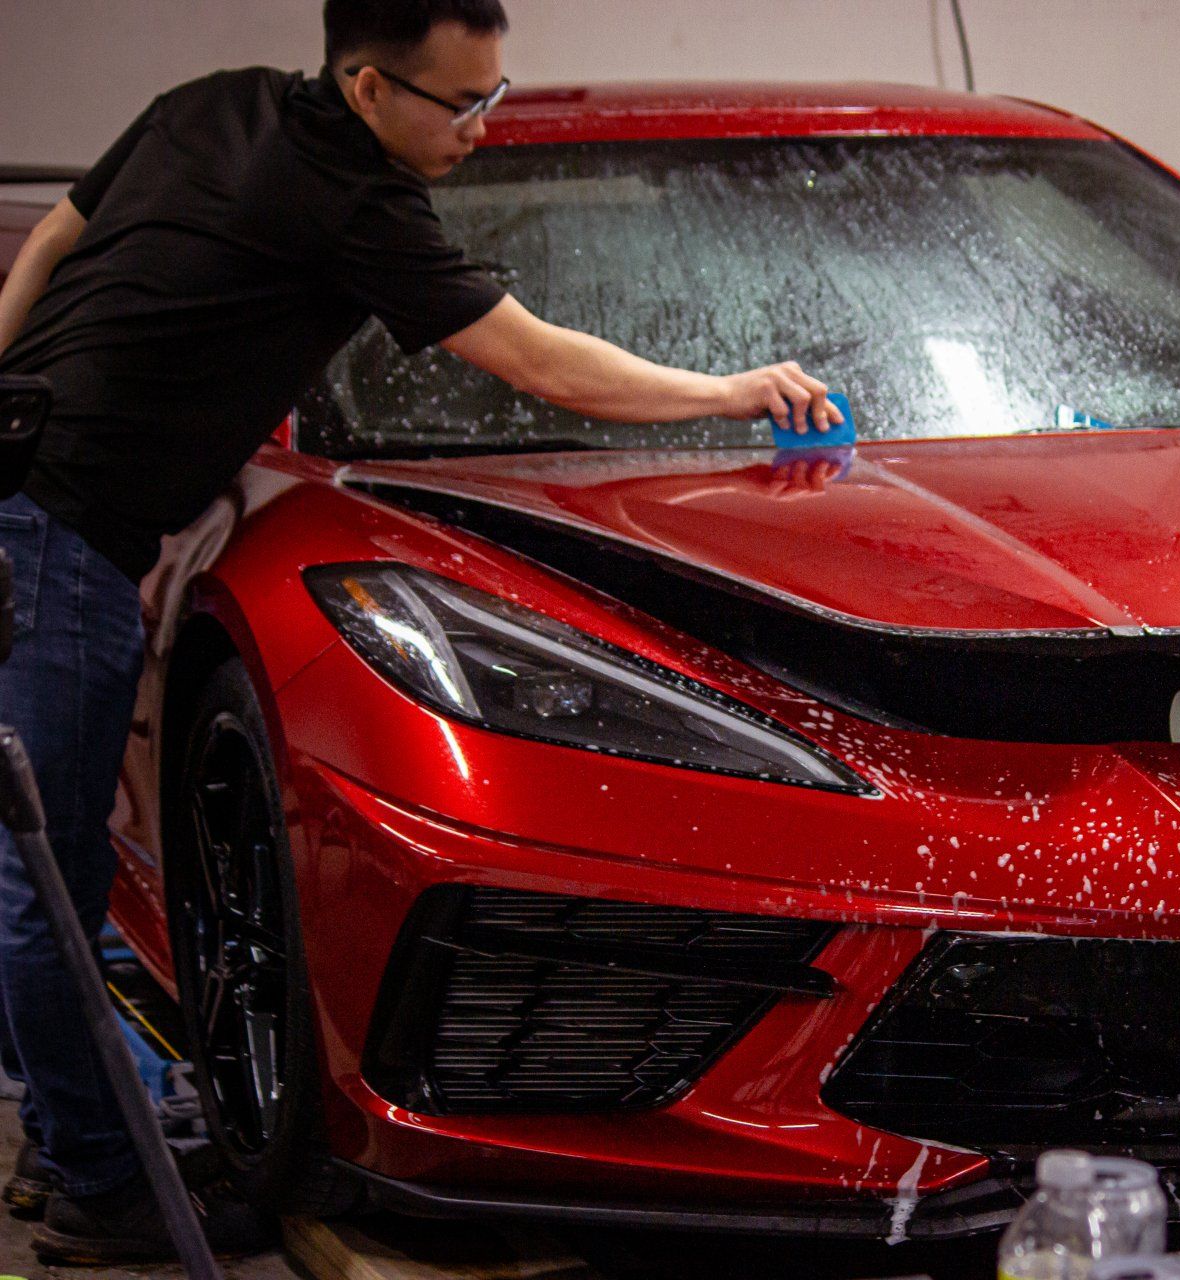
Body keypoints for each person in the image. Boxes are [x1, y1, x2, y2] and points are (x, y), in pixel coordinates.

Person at [0, 0, 840, 1263]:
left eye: (497, 93)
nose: (482, 128)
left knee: (28, 873)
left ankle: (86, 1130)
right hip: (57, 534)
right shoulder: (350, 204)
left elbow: (57, 244)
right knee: (45, 891)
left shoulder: (214, 99)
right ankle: (98, 1183)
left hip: (27, 503)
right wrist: (733, 390)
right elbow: (540, 363)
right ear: (367, 87)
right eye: (462, 104)